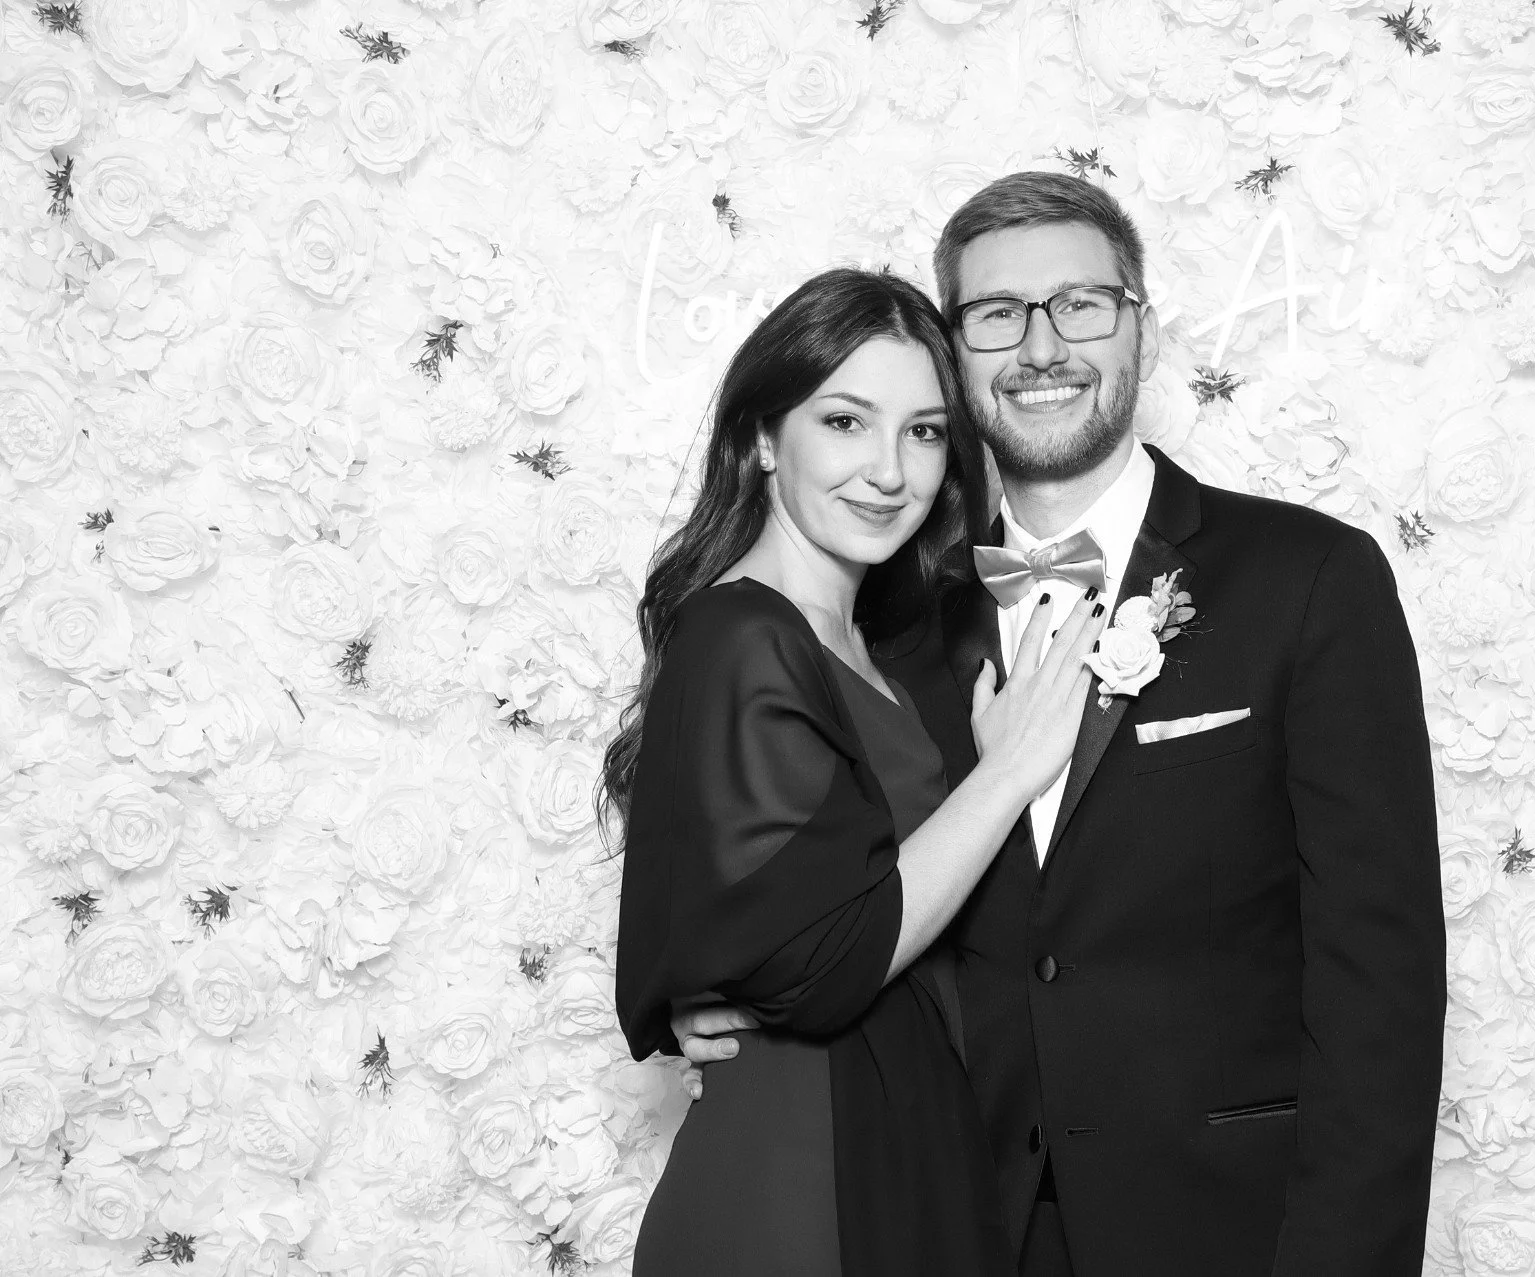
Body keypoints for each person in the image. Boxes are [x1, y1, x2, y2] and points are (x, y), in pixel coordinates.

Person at [678, 173, 1447, 1276]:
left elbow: (1380, 979)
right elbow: (818, 882)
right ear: (955, 351)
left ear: (1138, 322)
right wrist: (711, 1000)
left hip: (1226, 1227)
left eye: (1079, 304)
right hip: (952, 1222)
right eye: (996, 315)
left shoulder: (1309, 580)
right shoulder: (887, 620)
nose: (1040, 347)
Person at [605, 266, 1105, 1277]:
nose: (889, 471)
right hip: (801, 1174)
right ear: (759, 440)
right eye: (844, 422)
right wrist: (1003, 774)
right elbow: (824, 962)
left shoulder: (868, 645)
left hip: (894, 1138)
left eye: (922, 432)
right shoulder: (742, 635)